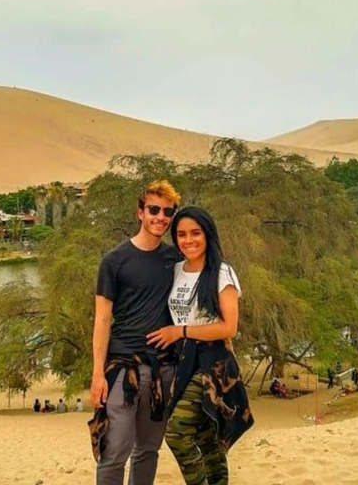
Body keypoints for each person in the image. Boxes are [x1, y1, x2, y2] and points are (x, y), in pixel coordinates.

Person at [147, 206, 254, 485]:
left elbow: (229, 327)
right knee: (206, 437)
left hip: (214, 360)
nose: (188, 240)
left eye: (195, 233)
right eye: (181, 234)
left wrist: (179, 331)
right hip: (185, 359)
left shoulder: (221, 273)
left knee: (177, 433)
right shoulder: (177, 270)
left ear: (208, 234)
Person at [88, 180, 181, 485]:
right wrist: (97, 375)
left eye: (168, 211)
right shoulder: (114, 260)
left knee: (148, 450)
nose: (161, 217)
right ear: (140, 212)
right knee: (114, 451)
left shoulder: (174, 260)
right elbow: (102, 321)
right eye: (154, 209)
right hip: (122, 370)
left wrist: (178, 332)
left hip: (162, 370)